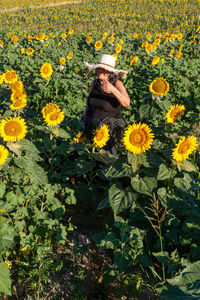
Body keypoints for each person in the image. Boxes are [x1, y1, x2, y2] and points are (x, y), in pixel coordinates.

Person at [82, 54, 130, 155]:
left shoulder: (117, 84)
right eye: (99, 68)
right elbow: (89, 102)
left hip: (109, 131)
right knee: (91, 157)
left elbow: (126, 103)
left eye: (104, 69)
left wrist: (113, 90)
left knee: (107, 159)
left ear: (110, 73)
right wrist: (84, 115)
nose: (100, 70)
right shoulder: (95, 83)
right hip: (91, 126)